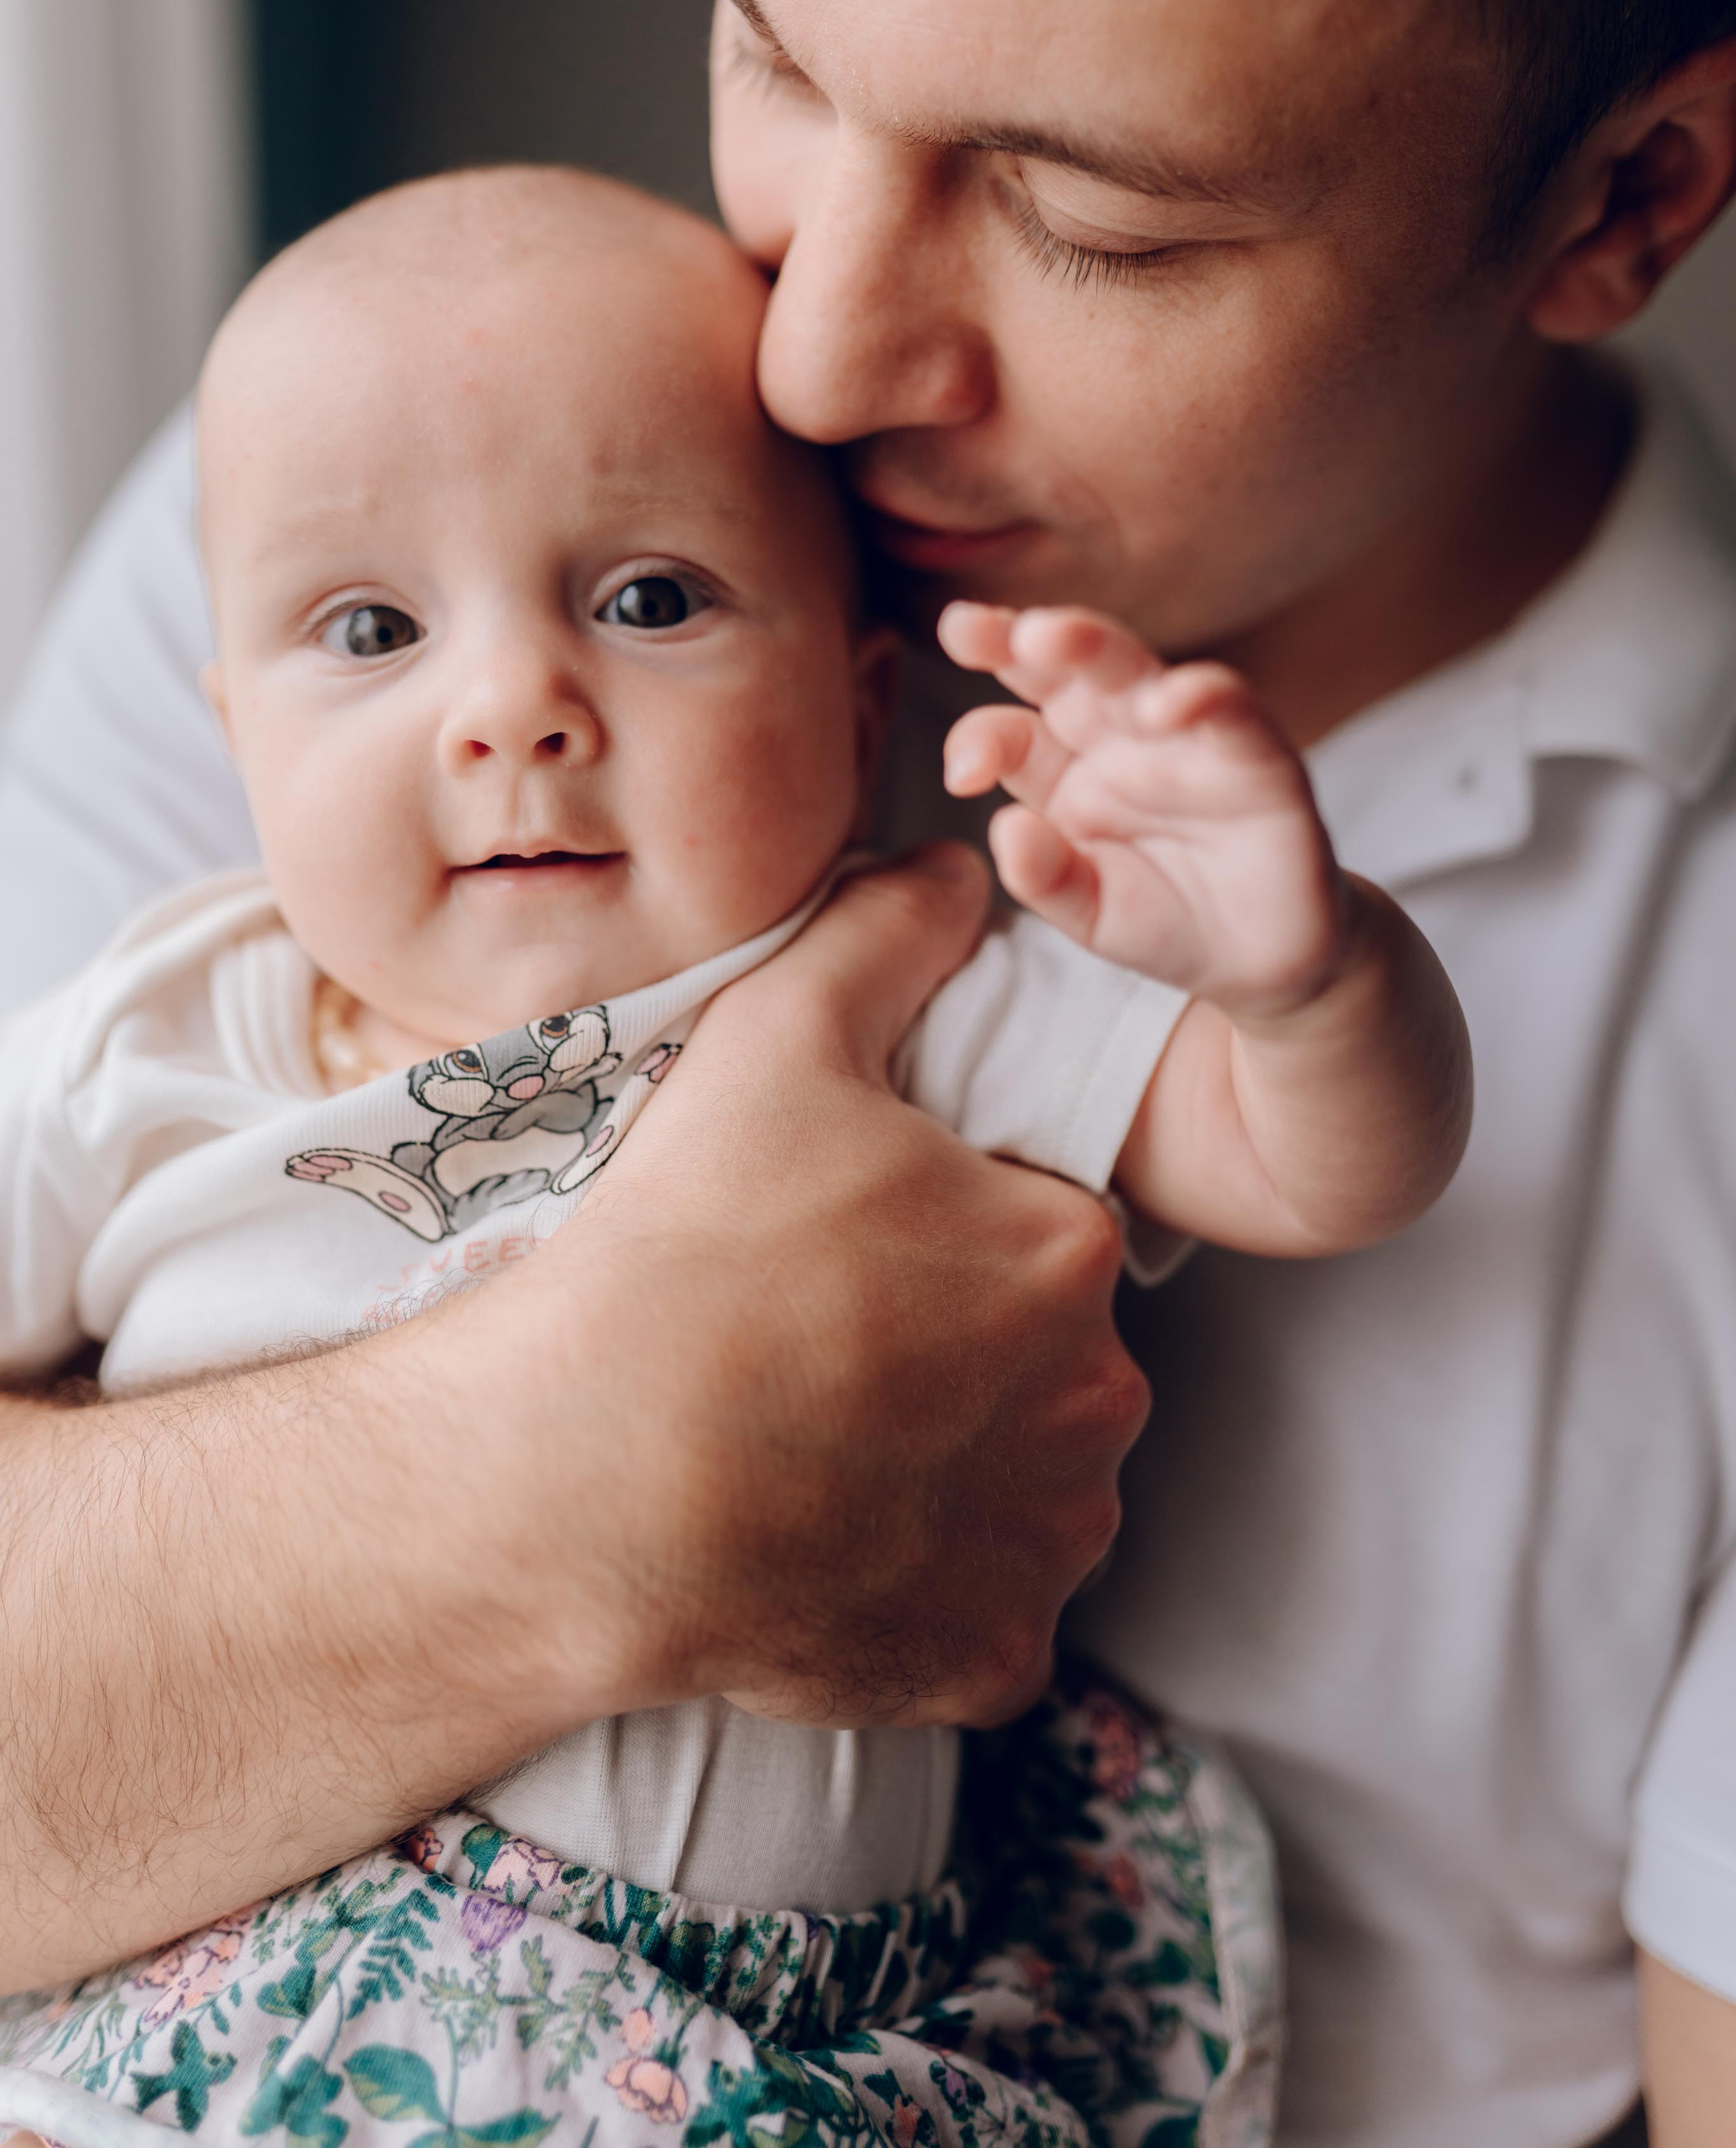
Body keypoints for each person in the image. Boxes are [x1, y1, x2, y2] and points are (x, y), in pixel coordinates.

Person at [0, 0, 1733, 2139]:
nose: (810, 349)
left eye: (1091, 217)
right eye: (766, 43)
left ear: (1621, 206)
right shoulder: (394, 552)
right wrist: (581, 1473)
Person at [0, 162, 1469, 2136]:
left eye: (649, 599)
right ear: (233, 730)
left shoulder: (921, 997)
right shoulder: (150, 1040)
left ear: (860, 699)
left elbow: (1320, 1171)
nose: (512, 707)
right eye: (369, 630)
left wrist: (1305, 981)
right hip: (231, 2015)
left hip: (771, 2061)